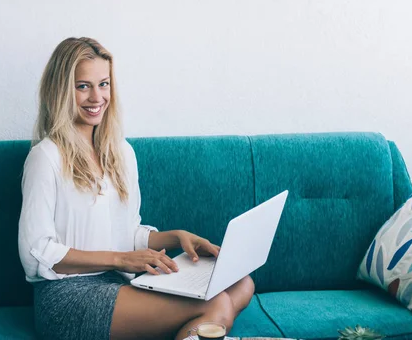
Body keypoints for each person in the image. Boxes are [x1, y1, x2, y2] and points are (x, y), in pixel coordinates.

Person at [18, 37, 255, 340]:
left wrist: (177, 238)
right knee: (218, 304)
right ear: (61, 91)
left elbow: (128, 234)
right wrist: (118, 259)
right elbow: (36, 252)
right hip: (67, 296)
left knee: (241, 283)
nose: (96, 97)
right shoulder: (46, 157)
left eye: (103, 84)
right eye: (83, 86)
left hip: (119, 284)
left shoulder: (121, 152)